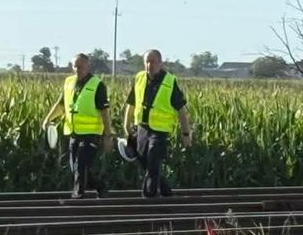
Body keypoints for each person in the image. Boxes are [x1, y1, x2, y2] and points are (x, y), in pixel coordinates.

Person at [41, 53, 114, 198]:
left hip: (91, 134)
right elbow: (61, 105)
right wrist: (48, 119)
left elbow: (104, 113)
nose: (77, 69)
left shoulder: (97, 85)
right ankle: (100, 186)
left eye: (80, 66)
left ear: (88, 66)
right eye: (75, 66)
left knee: (80, 165)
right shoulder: (69, 82)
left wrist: (107, 135)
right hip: (74, 132)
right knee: (75, 168)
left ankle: (78, 196)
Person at [123, 49, 193, 198]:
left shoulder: (169, 81)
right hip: (141, 127)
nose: (150, 65)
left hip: (159, 130)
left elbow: (181, 110)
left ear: (160, 63)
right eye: (147, 62)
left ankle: (149, 198)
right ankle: (167, 193)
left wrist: (186, 133)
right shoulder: (139, 78)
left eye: (153, 62)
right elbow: (131, 103)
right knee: (145, 162)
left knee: (153, 159)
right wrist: (126, 125)